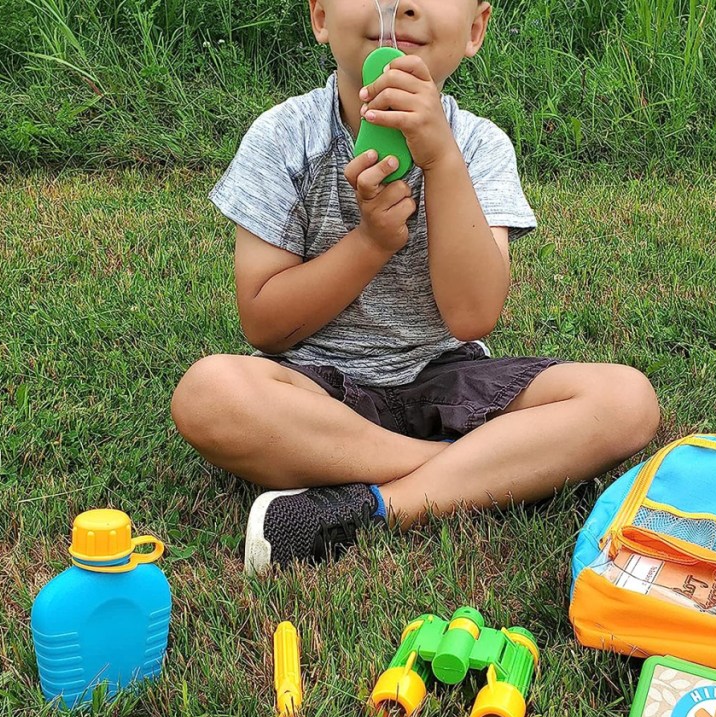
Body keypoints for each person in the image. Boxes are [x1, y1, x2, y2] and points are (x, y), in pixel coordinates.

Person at [170, 0, 659, 573]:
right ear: (321, 18)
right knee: (208, 393)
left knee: (626, 401)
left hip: (445, 378)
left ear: (475, 28)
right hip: (316, 390)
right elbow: (265, 323)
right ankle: (468, 469)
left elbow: (473, 316)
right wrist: (371, 244)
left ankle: (375, 506)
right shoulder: (283, 137)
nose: (397, 5)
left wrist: (441, 159)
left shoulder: (479, 146)